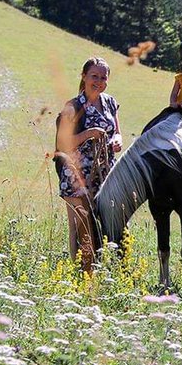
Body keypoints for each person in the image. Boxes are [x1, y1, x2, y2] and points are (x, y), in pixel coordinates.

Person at [54, 57, 122, 271]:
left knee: (105, 222)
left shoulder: (110, 103)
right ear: (84, 77)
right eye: (94, 76)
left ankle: (102, 268)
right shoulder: (73, 107)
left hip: (105, 173)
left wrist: (117, 140)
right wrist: (88, 134)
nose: (99, 82)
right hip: (76, 175)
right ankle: (80, 271)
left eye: (103, 78)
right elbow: (62, 144)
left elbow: (117, 132)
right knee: (79, 225)